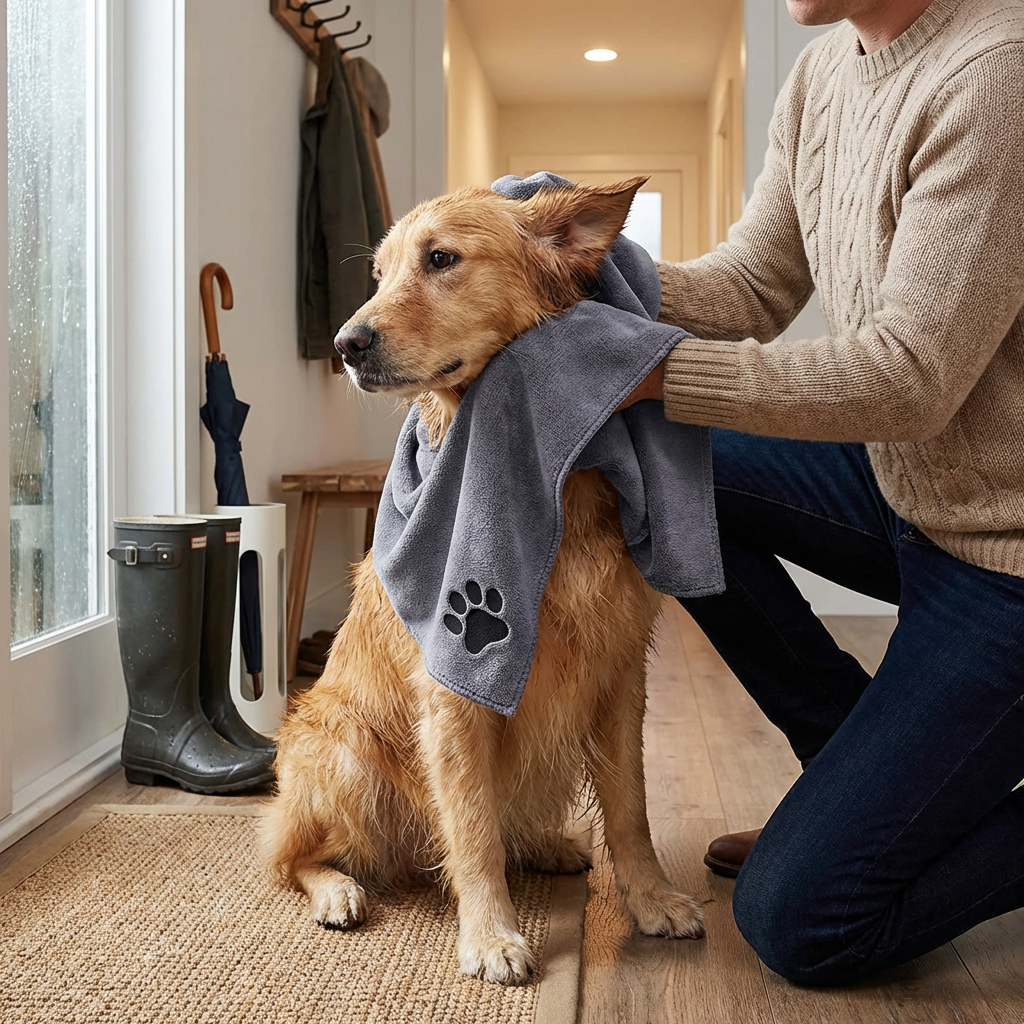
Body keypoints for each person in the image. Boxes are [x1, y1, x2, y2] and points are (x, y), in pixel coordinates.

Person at [619, 0, 1024, 986]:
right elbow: (755, 283)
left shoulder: (997, 75)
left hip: (1007, 555)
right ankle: (846, 769)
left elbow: (909, 379)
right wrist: (584, 264)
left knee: (801, 920)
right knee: (656, 470)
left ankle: (871, 824)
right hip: (911, 488)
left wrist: (653, 372)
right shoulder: (820, 78)